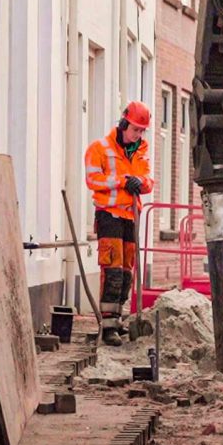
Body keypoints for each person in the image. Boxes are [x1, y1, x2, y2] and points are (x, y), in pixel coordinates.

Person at [84, 101, 154, 346]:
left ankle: (118, 319)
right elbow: (93, 180)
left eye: (142, 131)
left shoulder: (140, 150)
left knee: (126, 272)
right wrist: (123, 181)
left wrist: (140, 183)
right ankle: (108, 326)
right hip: (109, 216)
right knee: (112, 270)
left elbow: (148, 180)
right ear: (124, 124)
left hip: (130, 216)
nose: (139, 134)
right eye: (135, 129)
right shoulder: (99, 148)